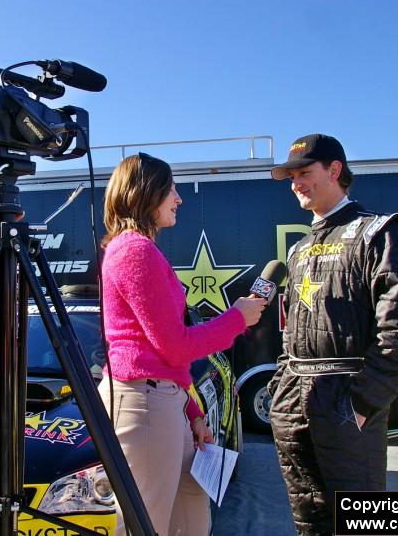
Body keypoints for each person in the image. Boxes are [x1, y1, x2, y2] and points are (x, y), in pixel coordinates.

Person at [98, 153, 266, 536]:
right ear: (146, 192)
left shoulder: (137, 250)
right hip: (144, 407)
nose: (178, 198)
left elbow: (161, 354)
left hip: (162, 402)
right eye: (170, 188)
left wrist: (191, 411)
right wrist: (237, 318)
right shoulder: (135, 250)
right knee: (147, 523)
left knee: (191, 503)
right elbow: (174, 346)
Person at [267, 134, 398, 535]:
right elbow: (293, 332)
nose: (296, 183)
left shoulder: (380, 233)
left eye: (305, 173)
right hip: (294, 403)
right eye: (291, 176)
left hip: (345, 399)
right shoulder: (299, 248)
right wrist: (282, 387)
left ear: (335, 170)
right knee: (310, 522)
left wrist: (360, 405)